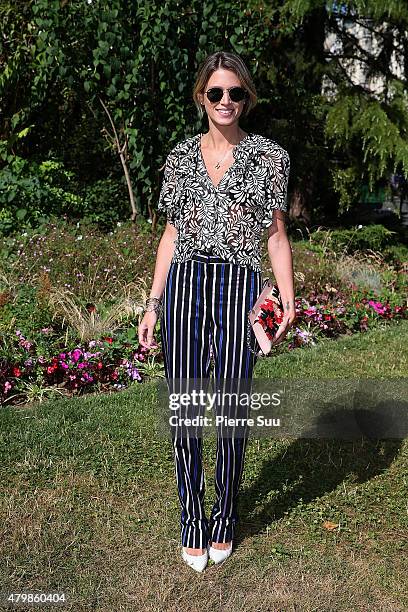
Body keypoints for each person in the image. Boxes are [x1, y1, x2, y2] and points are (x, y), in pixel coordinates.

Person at [138, 51, 296, 572]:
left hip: (241, 285)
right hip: (186, 280)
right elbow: (170, 233)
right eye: (215, 93)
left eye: (235, 93)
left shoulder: (269, 157)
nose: (225, 102)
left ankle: (224, 515)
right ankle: (192, 518)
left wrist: (286, 293)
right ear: (201, 97)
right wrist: (154, 303)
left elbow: (275, 235)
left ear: (246, 98)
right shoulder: (180, 159)